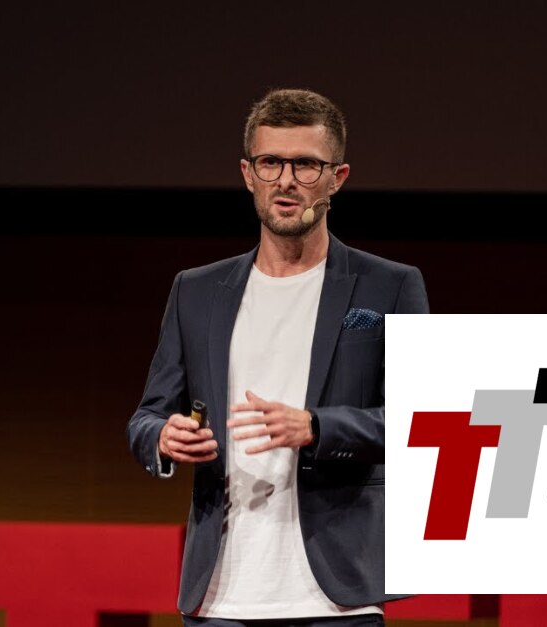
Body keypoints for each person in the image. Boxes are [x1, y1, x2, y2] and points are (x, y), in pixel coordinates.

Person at [126, 88, 429, 626]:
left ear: (337, 178)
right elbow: (147, 415)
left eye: (306, 165)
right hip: (219, 600)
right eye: (270, 162)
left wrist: (317, 427)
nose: (286, 180)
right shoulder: (196, 291)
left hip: (336, 599)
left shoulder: (390, 286)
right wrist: (164, 438)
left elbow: (424, 423)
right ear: (248, 174)